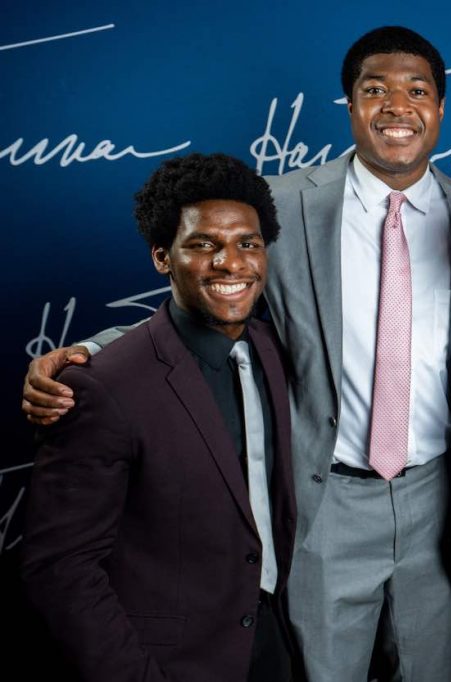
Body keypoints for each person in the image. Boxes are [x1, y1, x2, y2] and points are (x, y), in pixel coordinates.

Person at [21, 26, 451, 681]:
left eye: (417, 91)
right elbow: (211, 301)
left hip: (439, 497)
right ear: (348, 105)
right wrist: (87, 355)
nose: (397, 106)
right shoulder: (279, 205)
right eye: (375, 90)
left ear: (440, 108)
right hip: (326, 501)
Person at [21, 152, 296, 682]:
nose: (232, 263)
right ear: (161, 258)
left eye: (248, 244)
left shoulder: (274, 350)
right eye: (203, 245)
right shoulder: (99, 386)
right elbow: (60, 567)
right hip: (169, 663)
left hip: (270, 646)